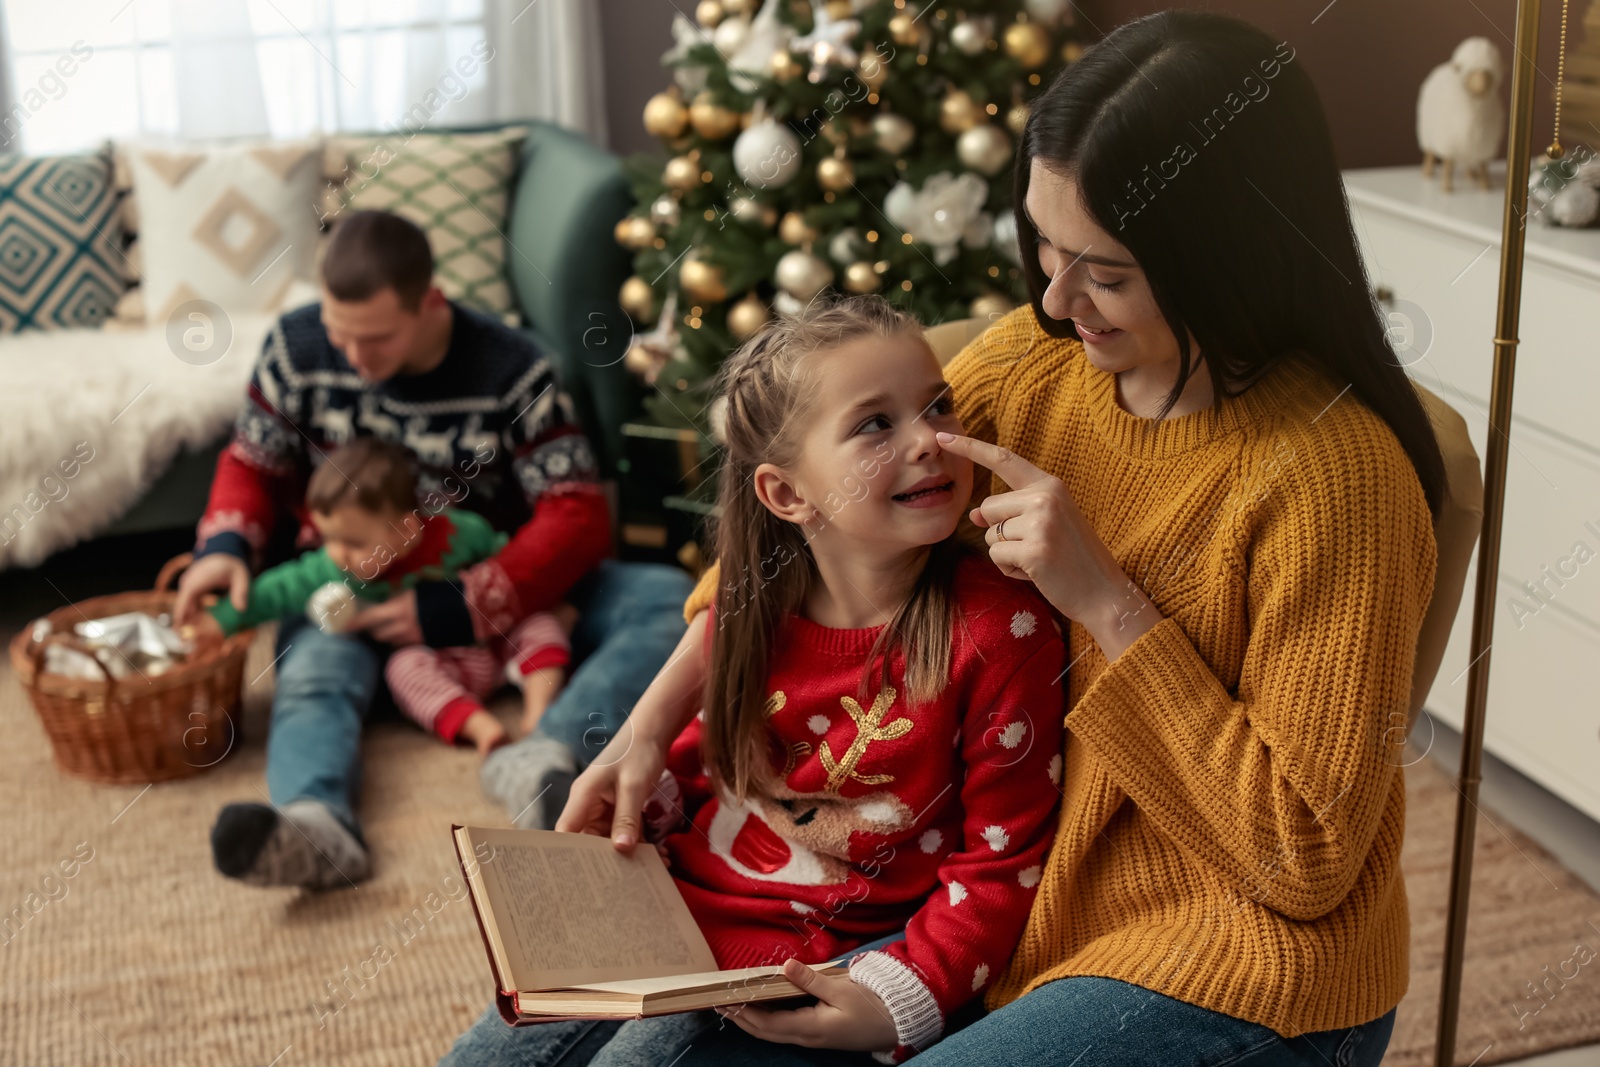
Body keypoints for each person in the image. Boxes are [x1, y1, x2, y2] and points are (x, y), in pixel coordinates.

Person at [552, 12, 1444, 1066]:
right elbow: (808, 535)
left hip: (1236, 956)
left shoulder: (1334, 480)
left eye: (1102, 271)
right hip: (1011, 910)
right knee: (547, 1029)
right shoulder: (1037, 362)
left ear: (1223, 256)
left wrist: (1107, 602)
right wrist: (646, 728)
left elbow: (1304, 858)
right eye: (1043, 247)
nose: (1057, 301)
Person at [441, 294, 1067, 1066]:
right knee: (489, 1054)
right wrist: (651, 803)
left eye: (937, 405)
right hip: (683, 904)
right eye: (875, 423)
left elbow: (1006, 862)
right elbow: (726, 756)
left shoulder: (1004, 633)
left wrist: (905, 998)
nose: (931, 439)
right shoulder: (754, 605)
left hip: (825, 958)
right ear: (787, 493)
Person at [174, 209, 692, 890]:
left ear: (431, 303)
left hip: (491, 589)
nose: (354, 359)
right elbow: (253, 462)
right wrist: (226, 542)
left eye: (378, 338)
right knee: (309, 675)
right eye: (340, 334)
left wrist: (457, 607)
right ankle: (315, 823)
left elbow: (576, 511)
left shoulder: (515, 367)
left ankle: (547, 759)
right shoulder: (295, 349)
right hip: (350, 597)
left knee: (666, 599)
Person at [203, 437, 571, 761]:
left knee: (541, 623)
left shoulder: (462, 534)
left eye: (353, 543)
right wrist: (216, 621)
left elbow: (511, 571)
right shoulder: (332, 569)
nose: (337, 554)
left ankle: (539, 716)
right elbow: (273, 592)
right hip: (443, 665)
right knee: (403, 670)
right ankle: (481, 728)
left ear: (406, 530)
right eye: (328, 539)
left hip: (497, 646)